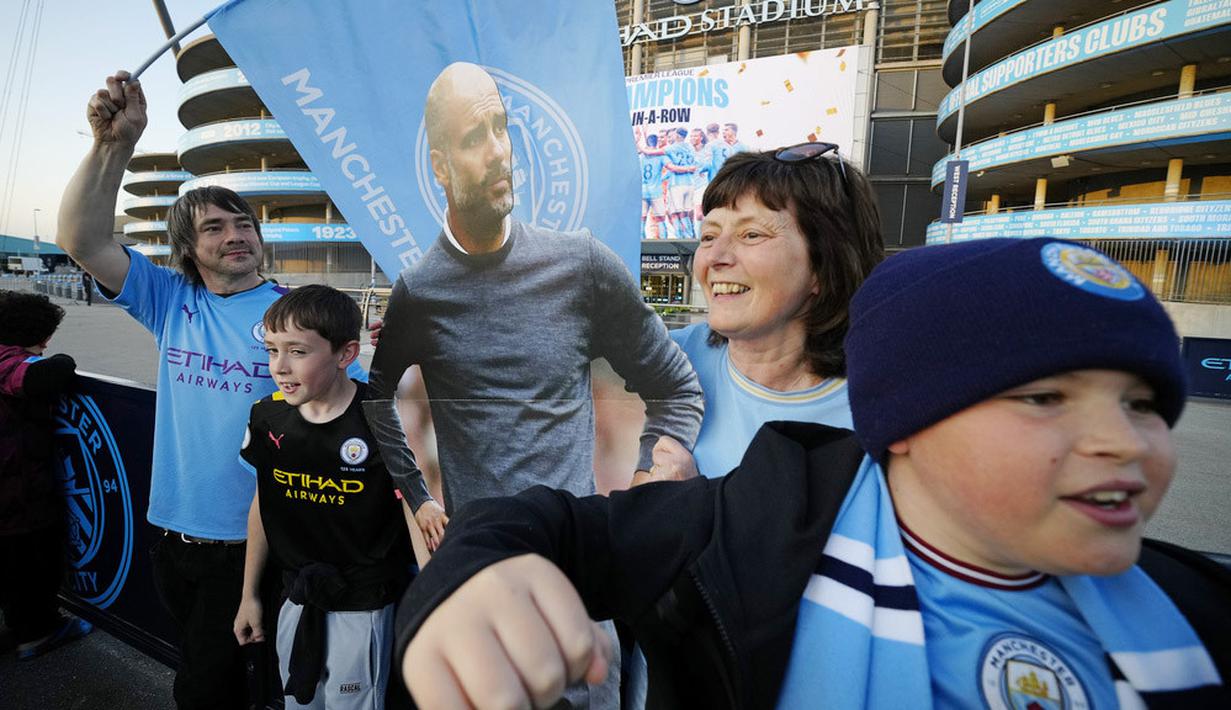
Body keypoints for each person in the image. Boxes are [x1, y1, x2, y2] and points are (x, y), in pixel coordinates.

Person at [392, 238, 1231, 709]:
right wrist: (472, 577)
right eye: (1045, 397)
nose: (1123, 443)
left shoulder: (1198, 609)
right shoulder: (748, 532)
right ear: (905, 422)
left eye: (1142, 403)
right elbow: (538, 524)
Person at [364, 61, 702, 709]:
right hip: (476, 595)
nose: (498, 152)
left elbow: (676, 388)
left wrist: (642, 484)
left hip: (580, 596)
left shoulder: (581, 266)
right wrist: (417, 495)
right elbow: (376, 400)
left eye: (502, 128)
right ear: (439, 165)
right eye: (473, 137)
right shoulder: (419, 291)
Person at [57, 71, 367, 708]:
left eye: (244, 223)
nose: (236, 235)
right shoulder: (170, 300)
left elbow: (362, 408)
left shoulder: (299, 314)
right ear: (187, 250)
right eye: (215, 228)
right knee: (205, 673)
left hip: (259, 543)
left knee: (225, 687)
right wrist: (112, 147)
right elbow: (81, 240)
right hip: (169, 531)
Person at [234, 286, 432, 709]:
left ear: (345, 354)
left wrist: (437, 602)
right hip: (296, 600)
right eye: (272, 350)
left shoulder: (383, 421)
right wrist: (249, 595)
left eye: (298, 352)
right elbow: (262, 505)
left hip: (363, 607)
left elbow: (416, 512)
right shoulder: (267, 416)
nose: (280, 367)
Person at [641, 144, 882, 484]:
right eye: (709, 236)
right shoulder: (655, 364)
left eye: (751, 234)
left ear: (824, 263)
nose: (716, 257)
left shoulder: (884, 408)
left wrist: (689, 504)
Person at [0, 290, 93, 660]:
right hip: (18, 497)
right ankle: (37, 632)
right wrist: (61, 360)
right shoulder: (9, 360)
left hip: (15, 494)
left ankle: (22, 624)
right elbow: (39, 377)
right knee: (31, 568)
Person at [662, 127, 698, 239]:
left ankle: (686, 237)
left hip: (677, 184)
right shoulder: (689, 148)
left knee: (680, 212)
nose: (671, 137)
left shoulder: (671, 149)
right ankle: (681, 236)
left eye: (672, 135)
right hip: (688, 183)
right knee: (677, 212)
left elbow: (672, 168)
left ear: (677, 135)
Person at [637, 131, 667, 240]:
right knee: (661, 221)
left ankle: (643, 247)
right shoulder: (660, 156)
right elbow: (671, 168)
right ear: (657, 142)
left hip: (643, 192)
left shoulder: (641, 157)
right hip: (656, 192)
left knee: (642, 221)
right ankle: (666, 247)